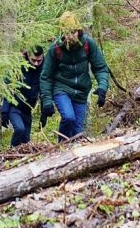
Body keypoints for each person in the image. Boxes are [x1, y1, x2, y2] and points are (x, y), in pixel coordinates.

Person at [40, 12, 110, 141]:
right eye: (67, 33)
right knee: (68, 117)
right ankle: (61, 148)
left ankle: (72, 155)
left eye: (73, 32)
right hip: (61, 89)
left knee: (77, 131)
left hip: (81, 92)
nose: (70, 36)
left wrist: (102, 87)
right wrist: (47, 101)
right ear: (62, 33)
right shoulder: (55, 49)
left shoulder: (88, 44)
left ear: (79, 30)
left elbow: (100, 68)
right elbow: (46, 77)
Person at [0, 46, 45, 147]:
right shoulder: (18, 65)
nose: (36, 63)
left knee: (26, 140)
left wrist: (44, 112)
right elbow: (8, 86)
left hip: (28, 108)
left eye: (39, 60)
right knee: (20, 129)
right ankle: (12, 151)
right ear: (28, 56)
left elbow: (44, 90)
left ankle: (21, 157)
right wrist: (4, 111)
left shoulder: (44, 67)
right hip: (14, 105)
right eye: (33, 60)